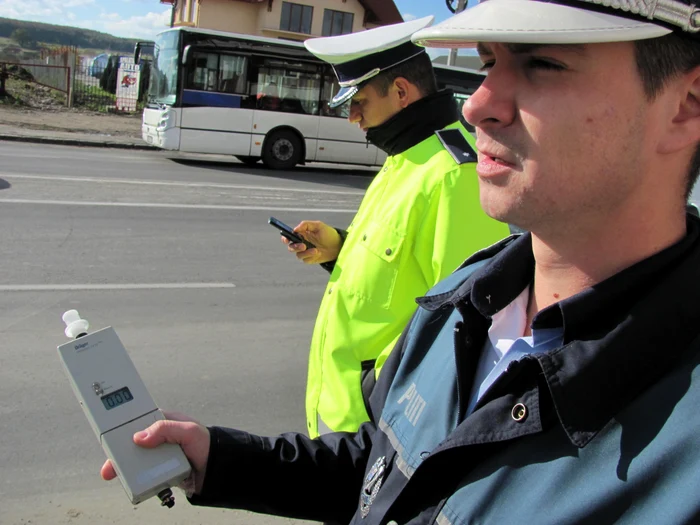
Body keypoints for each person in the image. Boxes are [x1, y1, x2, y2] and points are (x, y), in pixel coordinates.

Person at [101, 1, 700, 523]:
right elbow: (389, 467)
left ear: (685, 106)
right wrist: (219, 459)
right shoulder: (462, 304)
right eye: (489, 63)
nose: (478, 104)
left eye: (542, 62)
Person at [284, 16, 510, 437]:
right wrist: (339, 249)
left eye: (359, 102)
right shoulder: (405, 155)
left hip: (375, 438)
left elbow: (467, 327)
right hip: (344, 431)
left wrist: (383, 408)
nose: (352, 117)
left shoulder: (451, 174)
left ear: (402, 92)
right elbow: (401, 274)